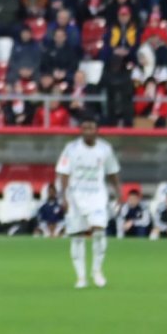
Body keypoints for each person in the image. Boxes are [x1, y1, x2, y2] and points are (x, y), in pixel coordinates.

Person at [55, 116, 121, 289]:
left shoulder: (105, 149)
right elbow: (63, 173)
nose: (88, 132)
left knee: (99, 231)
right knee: (77, 236)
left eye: (91, 128)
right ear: (80, 130)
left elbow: (112, 171)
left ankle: (97, 271)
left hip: (97, 196)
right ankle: (81, 277)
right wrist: (62, 196)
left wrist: (118, 192)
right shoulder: (71, 149)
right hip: (76, 197)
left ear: (97, 130)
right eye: (84, 128)